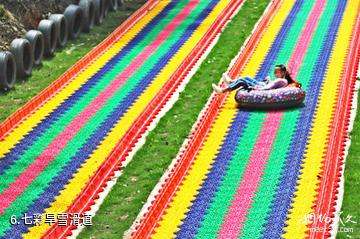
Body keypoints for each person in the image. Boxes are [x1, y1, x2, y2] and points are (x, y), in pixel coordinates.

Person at [212, 64, 297, 94]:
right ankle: (230, 82)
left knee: (242, 82)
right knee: (246, 77)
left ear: (282, 73)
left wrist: (256, 88)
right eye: (274, 72)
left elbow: (269, 88)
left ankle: (223, 91)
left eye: (276, 72)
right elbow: (273, 85)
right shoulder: (282, 80)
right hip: (262, 84)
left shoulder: (282, 80)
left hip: (260, 86)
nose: (274, 74)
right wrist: (269, 80)